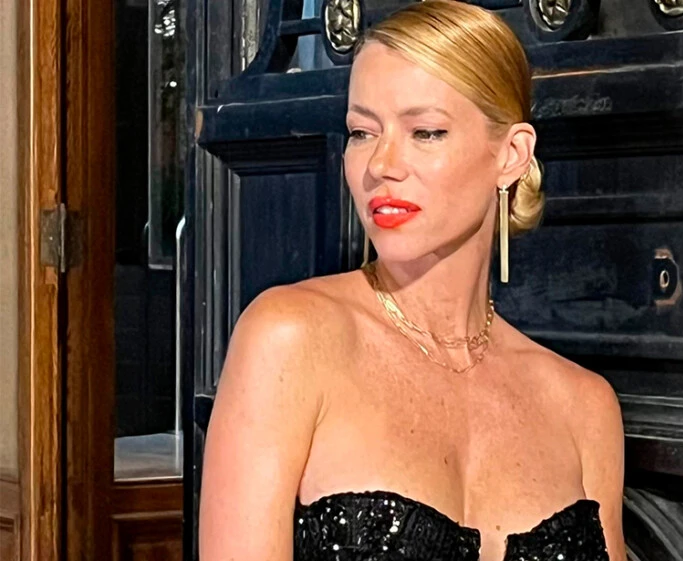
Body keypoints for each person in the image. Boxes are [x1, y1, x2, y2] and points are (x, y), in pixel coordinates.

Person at [199, 1, 626, 560]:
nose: (381, 164)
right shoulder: (290, 340)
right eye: (361, 132)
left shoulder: (584, 408)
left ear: (511, 154)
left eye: (425, 131)